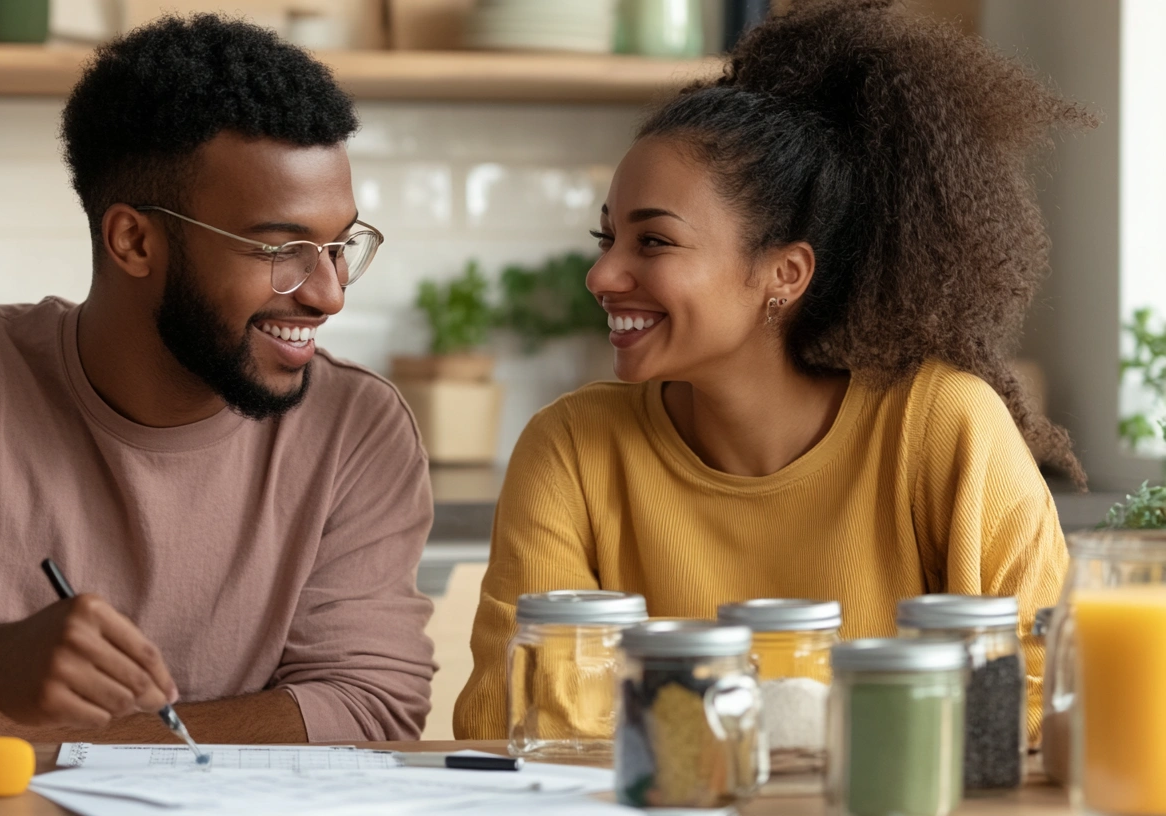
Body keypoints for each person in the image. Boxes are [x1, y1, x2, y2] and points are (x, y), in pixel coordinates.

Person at [0, 16, 435, 749]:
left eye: (340, 245)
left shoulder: (356, 428)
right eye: (281, 247)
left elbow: (369, 704)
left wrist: (42, 740)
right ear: (134, 240)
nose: (329, 294)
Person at [455, 0, 1090, 740]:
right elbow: (522, 725)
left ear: (783, 273)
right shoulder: (571, 447)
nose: (602, 275)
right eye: (607, 238)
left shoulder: (945, 426)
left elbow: (1043, 709)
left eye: (653, 242)